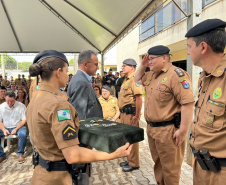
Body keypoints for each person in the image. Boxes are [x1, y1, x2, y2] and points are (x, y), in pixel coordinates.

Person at [26, 50, 132, 185]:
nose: (68, 76)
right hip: (57, 178)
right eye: (66, 71)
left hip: (41, 172)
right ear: (58, 72)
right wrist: (113, 154)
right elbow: (73, 155)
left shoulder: (35, 99)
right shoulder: (58, 104)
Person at [135, 45, 194, 185]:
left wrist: (183, 131)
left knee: (170, 170)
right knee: (158, 165)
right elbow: (137, 79)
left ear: (164, 58)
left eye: (152, 59)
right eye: (148, 59)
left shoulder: (177, 75)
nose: (149, 61)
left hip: (168, 131)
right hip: (152, 130)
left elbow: (187, 103)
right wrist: (143, 65)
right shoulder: (151, 74)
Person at [185, 19, 226, 185]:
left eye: (189, 47)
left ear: (203, 47)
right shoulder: (205, 77)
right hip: (202, 167)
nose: (187, 52)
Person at [118, 59, 143, 172]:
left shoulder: (134, 79)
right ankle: (129, 160)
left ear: (132, 67)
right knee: (126, 139)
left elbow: (139, 98)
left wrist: (137, 116)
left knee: (132, 139)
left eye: (125, 66)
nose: (122, 68)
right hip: (124, 114)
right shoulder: (125, 80)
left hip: (130, 115)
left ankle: (134, 163)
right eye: (122, 66)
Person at [68, 50, 103, 120]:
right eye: (96, 64)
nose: (98, 68)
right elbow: (79, 116)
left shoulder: (81, 79)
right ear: (85, 64)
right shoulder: (81, 82)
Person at [0, 91, 27, 163]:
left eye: (11, 101)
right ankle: (1, 155)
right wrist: (4, 129)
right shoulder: (1, 106)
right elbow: (0, 121)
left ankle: (20, 154)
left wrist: (16, 129)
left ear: (14, 98)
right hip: (5, 127)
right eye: (7, 101)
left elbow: (24, 120)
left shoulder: (21, 106)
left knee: (23, 134)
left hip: (18, 126)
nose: (9, 103)